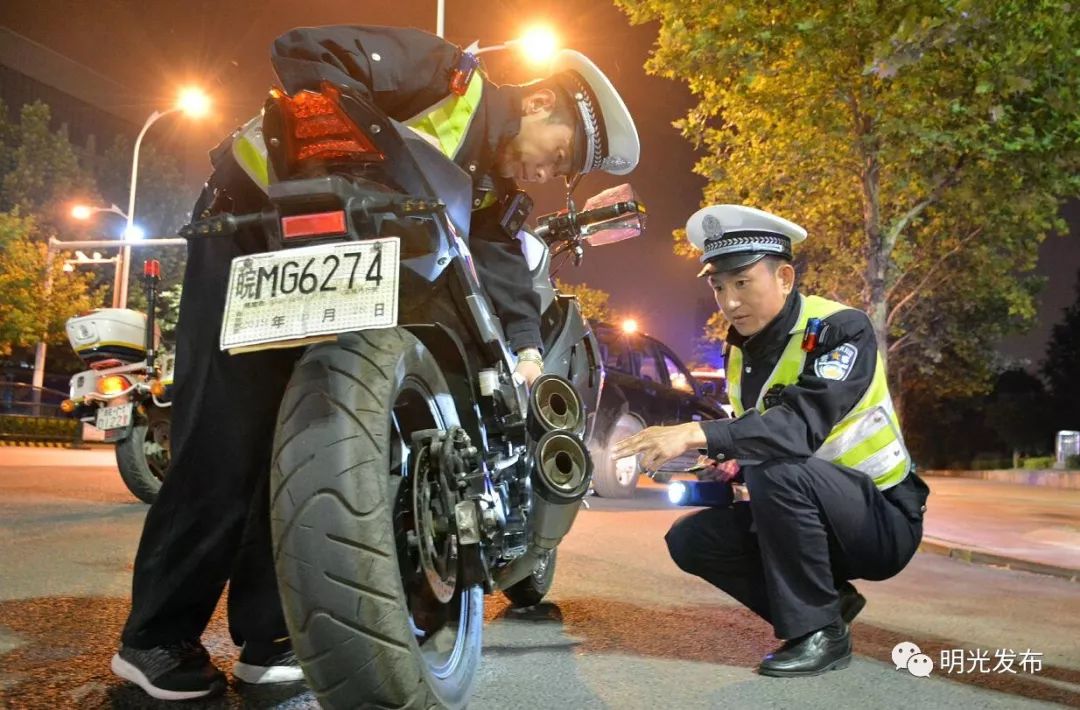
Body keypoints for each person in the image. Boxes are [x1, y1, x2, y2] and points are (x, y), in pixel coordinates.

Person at [111, 24, 639, 701]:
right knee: (226, 441)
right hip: (247, 225)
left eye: (561, 173)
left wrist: (527, 351)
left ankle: (277, 639)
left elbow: (503, 260)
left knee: (306, 445)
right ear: (538, 104)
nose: (546, 174)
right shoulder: (450, 75)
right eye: (557, 152)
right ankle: (154, 643)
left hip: (340, 276)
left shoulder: (488, 186)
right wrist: (344, 134)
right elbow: (306, 50)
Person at [612, 205, 929, 677]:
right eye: (718, 287)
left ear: (784, 276)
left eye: (742, 283)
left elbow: (798, 427)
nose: (730, 301)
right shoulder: (741, 352)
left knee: (779, 463)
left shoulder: (841, 329)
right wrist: (726, 460)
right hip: (814, 518)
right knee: (692, 540)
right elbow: (755, 431)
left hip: (880, 519)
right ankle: (829, 604)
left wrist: (698, 432)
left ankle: (819, 634)